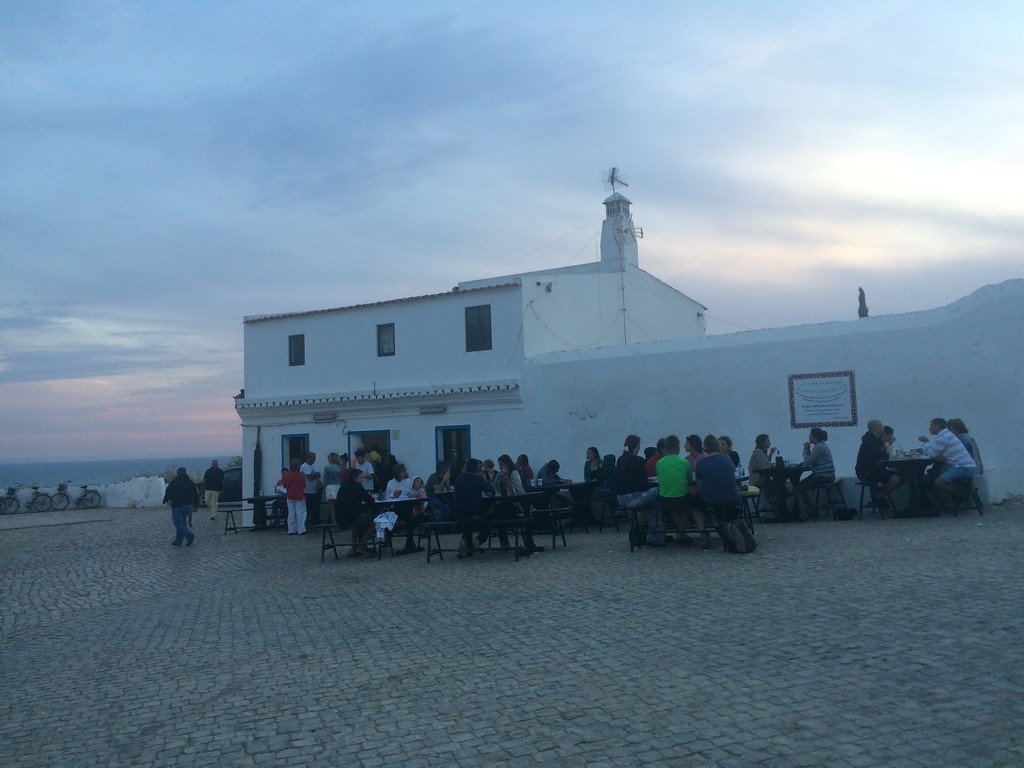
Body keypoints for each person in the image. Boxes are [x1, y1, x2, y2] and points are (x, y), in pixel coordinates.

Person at [918, 417, 978, 508]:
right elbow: (938, 455)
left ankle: (964, 494)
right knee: (935, 474)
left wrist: (926, 443)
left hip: (963, 467)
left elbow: (932, 454)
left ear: (938, 426)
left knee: (938, 481)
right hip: (965, 466)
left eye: (931, 426)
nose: (929, 429)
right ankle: (942, 503)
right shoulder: (948, 435)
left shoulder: (943, 437)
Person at [694, 434, 739, 548]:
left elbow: (699, 485)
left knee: (694, 505)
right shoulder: (728, 459)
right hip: (732, 497)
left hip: (711, 498)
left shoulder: (701, 463)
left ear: (705, 447)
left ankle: (703, 533)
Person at [656, 434, 695, 547]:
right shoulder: (684, 462)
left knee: (673, 508)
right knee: (686, 508)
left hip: (664, 499)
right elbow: (689, 478)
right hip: (682, 497)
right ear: (677, 447)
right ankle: (681, 532)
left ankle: (680, 533)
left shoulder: (659, 463)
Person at [453, 458, 495, 558]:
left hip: (459, 515)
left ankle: (466, 542)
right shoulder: (477, 479)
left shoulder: (458, 480)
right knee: (491, 519)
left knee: (467, 520)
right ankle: (479, 539)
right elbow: (491, 492)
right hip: (475, 513)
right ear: (476, 468)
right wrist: (485, 479)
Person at [856, 420, 902, 504]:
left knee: (902, 476)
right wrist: (890, 445)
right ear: (876, 428)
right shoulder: (872, 441)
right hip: (867, 472)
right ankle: (878, 496)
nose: (883, 428)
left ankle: (879, 493)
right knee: (896, 479)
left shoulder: (873, 440)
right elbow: (885, 457)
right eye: (881, 426)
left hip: (872, 470)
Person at [794, 428, 835, 521]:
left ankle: (804, 514)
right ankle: (812, 511)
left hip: (821, 476)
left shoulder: (818, 447)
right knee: (801, 488)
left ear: (814, 436)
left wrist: (804, 451)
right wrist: (808, 450)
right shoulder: (822, 445)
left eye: (810, 435)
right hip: (829, 475)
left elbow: (808, 463)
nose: (809, 438)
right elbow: (812, 461)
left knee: (797, 488)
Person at [336, 467, 376, 556]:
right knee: (376, 522)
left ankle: (354, 548)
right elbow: (370, 501)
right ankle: (361, 545)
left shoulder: (343, 485)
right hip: (352, 516)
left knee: (357, 523)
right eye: (361, 477)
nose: (362, 479)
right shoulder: (358, 486)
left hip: (340, 517)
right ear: (355, 478)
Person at [747, 434, 782, 517]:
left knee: (775, 485)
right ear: (762, 442)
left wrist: (771, 453)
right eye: (768, 441)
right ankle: (779, 510)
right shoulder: (757, 452)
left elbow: (766, 463)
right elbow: (764, 466)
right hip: (757, 480)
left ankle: (779, 510)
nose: (770, 443)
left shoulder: (761, 452)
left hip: (762, 478)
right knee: (775, 487)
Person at [163, 467, 199, 547]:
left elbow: (168, 492)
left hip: (177, 505)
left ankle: (189, 535)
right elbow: (195, 494)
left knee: (177, 523)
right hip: (188, 506)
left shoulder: (174, 482)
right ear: (185, 472)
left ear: (177, 473)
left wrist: (165, 500)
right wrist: (196, 505)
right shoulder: (190, 482)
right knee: (182, 522)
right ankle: (178, 541)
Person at [281, 458, 308, 535]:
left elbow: (285, 486)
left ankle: (291, 529)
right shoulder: (301, 475)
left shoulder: (287, 475)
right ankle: (301, 529)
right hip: (299, 495)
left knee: (291, 513)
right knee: (301, 513)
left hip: (290, 496)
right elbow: (303, 485)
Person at [300, 452, 322, 527]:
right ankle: (307, 525)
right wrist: (316, 475)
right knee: (307, 509)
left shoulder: (313, 466)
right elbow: (309, 477)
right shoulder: (304, 466)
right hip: (306, 491)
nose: (314, 460)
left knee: (313, 509)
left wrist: (316, 477)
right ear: (308, 458)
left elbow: (316, 476)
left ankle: (313, 524)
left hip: (313, 490)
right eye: (313, 459)